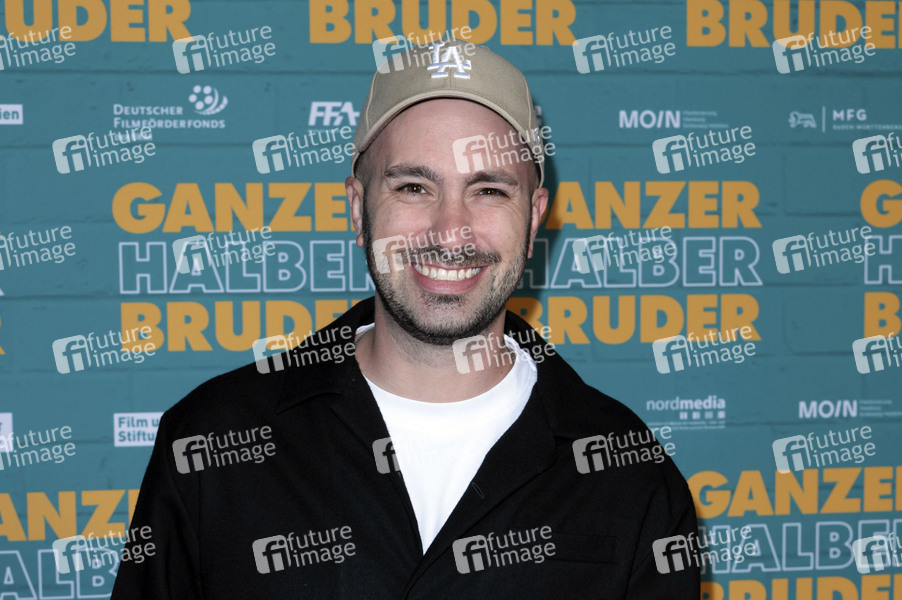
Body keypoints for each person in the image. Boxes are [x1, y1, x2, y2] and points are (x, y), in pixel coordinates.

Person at [110, 41, 700, 598]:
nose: (451, 232)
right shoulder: (210, 443)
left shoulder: (629, 473)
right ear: (357, 209)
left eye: (489, 191)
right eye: (415, 187)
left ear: (533, 218)